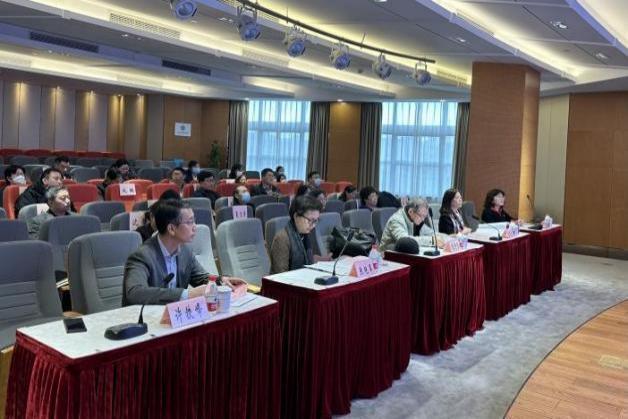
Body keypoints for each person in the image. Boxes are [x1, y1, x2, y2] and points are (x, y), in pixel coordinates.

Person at [122, 199, 247, 306]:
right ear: (171, 229)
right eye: (189, 222)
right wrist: (187, 294)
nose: (195, 227)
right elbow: (135, 293)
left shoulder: (184, 251)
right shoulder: (142, 256)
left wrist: (222, 280)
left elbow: (200, 277)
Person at [270, 195, 322, 274]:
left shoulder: (305, 235)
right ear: (296, 216)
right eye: (310, 220)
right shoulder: (282, 239)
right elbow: (280, 275)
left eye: (316, 221)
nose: (313, 225)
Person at [380, 197, 444, 252]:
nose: (423, 219)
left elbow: (431, 233)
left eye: (424, 216)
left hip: (404, 253)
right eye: (421, 216)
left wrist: (446, 239)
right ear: (411, 212)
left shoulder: (415, 219)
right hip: (388, 256)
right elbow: (405, 241)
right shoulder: (397, 220)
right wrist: (431, 241)